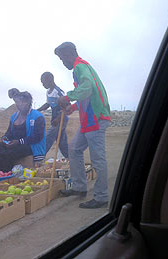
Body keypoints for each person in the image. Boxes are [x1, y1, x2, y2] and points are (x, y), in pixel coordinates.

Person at [54, 42, 111, 209]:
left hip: (96, 118)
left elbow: (87, 89)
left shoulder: (80, 67)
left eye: (62, 58)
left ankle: (101, 197)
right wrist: (72, 107)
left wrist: (67, 97)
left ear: (70, 54)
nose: (63, 62)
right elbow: (86, 96)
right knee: (74, 149)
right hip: (89, 120)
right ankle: (79, 187)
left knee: (98, 159)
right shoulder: (81, 69)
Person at [0, 90, 46, 173]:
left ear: (29, 103)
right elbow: (9, 132)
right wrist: (5, 138)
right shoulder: (14, 116)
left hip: (29, 146)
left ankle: (1, 175)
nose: (21, 104)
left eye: (24, 102)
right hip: (15, 144)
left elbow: (37, 137)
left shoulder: (37, 116)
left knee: (5, 154)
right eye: (19, 102)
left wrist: (18, 142)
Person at [37, 72, 69, 159]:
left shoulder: (58, 92)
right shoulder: (48, 92)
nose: (43, 84)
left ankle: (39, 158)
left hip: (61, 119)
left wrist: (58, 119)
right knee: (61, 141)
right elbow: (48, 104)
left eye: (44, 82)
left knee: (48, 137)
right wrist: (37, 110)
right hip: (55, 119)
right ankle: (69, 158)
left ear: (50, 80)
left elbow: (67, 105)